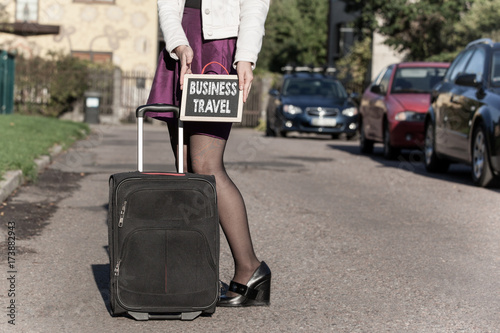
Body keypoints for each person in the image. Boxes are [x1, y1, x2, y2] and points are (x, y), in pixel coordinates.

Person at [147, 0, 271, 307]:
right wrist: (177, 44)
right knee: (186, 169)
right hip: (181, 49)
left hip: (217, 52)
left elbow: (254, 6)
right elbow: (167, 5)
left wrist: (245, 57)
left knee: (206, 166)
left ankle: (250, 268)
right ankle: (194, 277)